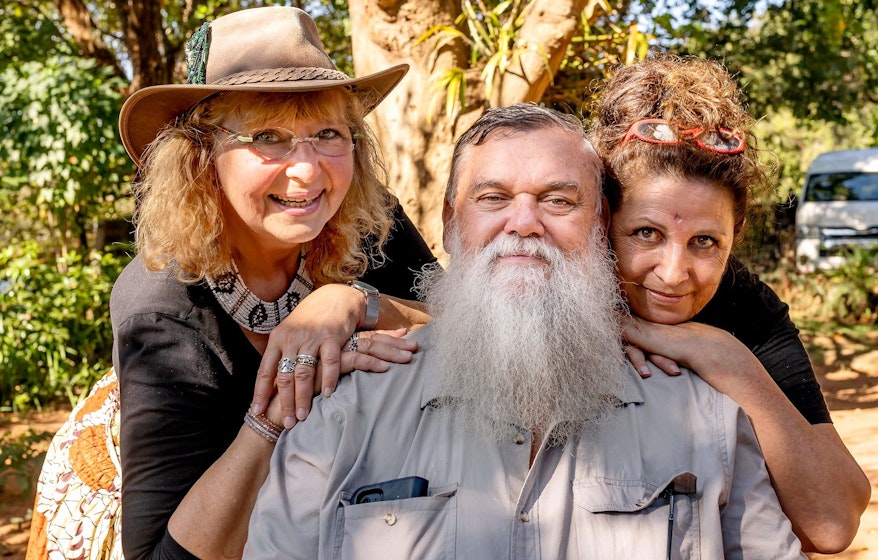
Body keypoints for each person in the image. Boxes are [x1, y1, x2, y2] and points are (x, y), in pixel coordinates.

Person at [244, 103, 806, 559]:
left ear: (600, 225)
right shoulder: (345, 409)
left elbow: (826, 524)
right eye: (493, 198)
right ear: (449, 221)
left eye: (559, 201)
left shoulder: (704, 417)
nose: (524, 222)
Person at [26, 7, 435, 560]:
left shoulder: (369, 223)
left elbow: (468, 322)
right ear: (201, 156)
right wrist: (273, 413)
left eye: (328, 134)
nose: (308, 171)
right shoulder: (162, 309)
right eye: (268, 137)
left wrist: (357, 302)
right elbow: (160, 555)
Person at [590, 53, 870, 552]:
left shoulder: (745, 305)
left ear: (735, 235)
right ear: (602, 222)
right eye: (646, 233)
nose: (673, 274)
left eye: (705, 241)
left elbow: (833, 522)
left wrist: (729, 360)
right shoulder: (551, 280)